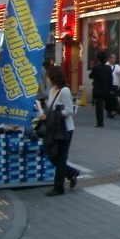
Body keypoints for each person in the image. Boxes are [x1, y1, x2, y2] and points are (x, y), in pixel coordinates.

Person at [38, 65, 80, 196]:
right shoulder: (51, 91)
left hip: (65, 129)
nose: (47, 80)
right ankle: (72, 173)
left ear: (54, 77)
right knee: (52, 155)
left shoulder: (65, 91)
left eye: (49, 77)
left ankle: (59, 187)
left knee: (60, 157)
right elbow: (50, 108)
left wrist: (53, 114)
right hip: (53, 127)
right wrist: (46, 114)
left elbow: (69, 111)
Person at [88, 50, 113, 128]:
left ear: (98, 58)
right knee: (107, 103)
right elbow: (110, 79)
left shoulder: (96, 68)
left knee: (98, 106)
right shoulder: (108, 68)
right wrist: (111, 88)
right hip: (106, 89)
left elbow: (90, 76)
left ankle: (100, 122)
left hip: (98, 89)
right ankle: (110, 113)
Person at [106, 53, 120, 119]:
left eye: (115, 58)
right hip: (108, 85)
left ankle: (114, 110)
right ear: (109, 58)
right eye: (113, 58)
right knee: (109, 99)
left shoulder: (117, 66)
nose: (114, 59)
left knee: (114, 98)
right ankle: (109, 111)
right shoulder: (106, 65)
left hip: (115, 84)